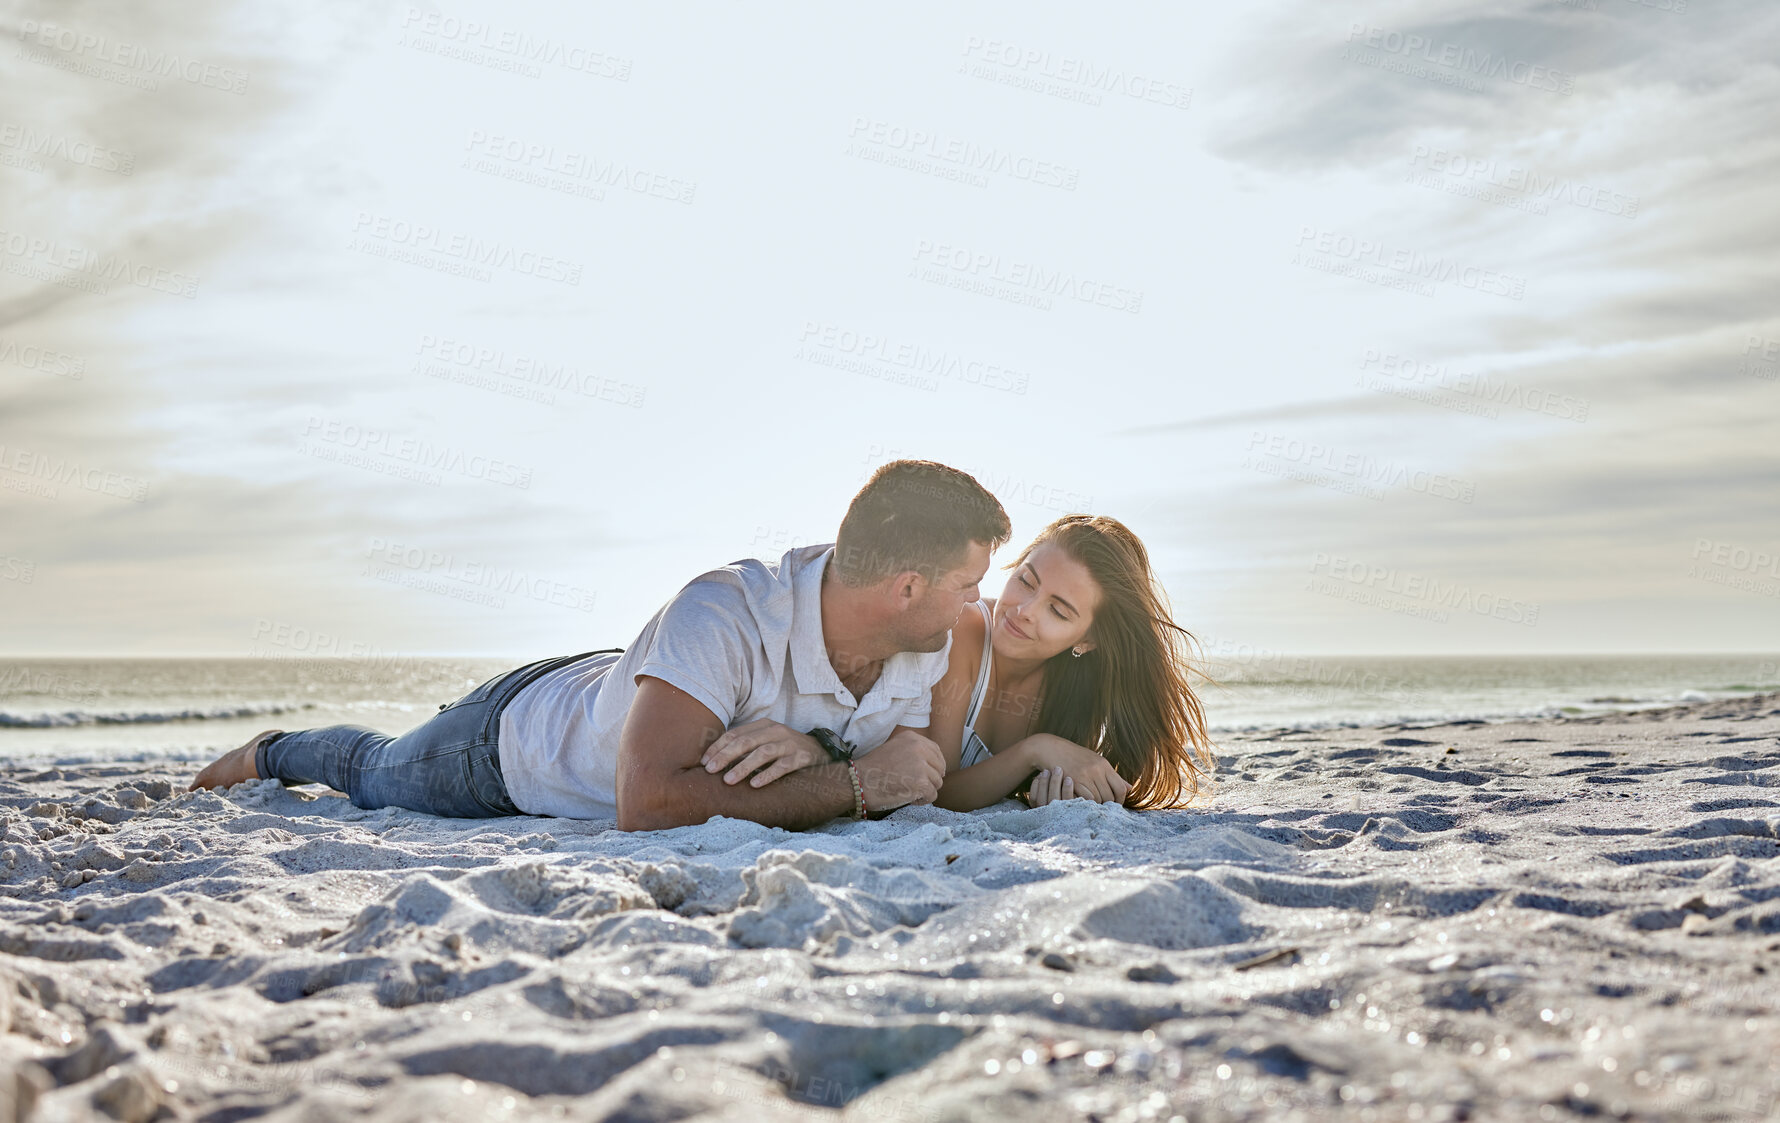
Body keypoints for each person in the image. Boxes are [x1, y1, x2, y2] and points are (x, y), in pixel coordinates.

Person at [188, 460, 1012, 830]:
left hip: (622, 682)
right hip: (508, 746)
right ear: (906, 585)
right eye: (968, 581)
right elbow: (646, 803)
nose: (979, 600)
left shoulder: (923, 638)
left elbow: (912, 755)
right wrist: (858, 783)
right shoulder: (724, 612)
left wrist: (819, 747)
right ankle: (270, 749)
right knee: (372, 771)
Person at [700, 514, 1216, 811]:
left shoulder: (1077, 689)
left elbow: (1104, 778)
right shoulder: (965, 629)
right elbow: (936, 792)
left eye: (1059, 611)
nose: (1024, 612)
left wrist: (1057, 792)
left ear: (1090, 638)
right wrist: (1037, 750)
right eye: (1026, 581)